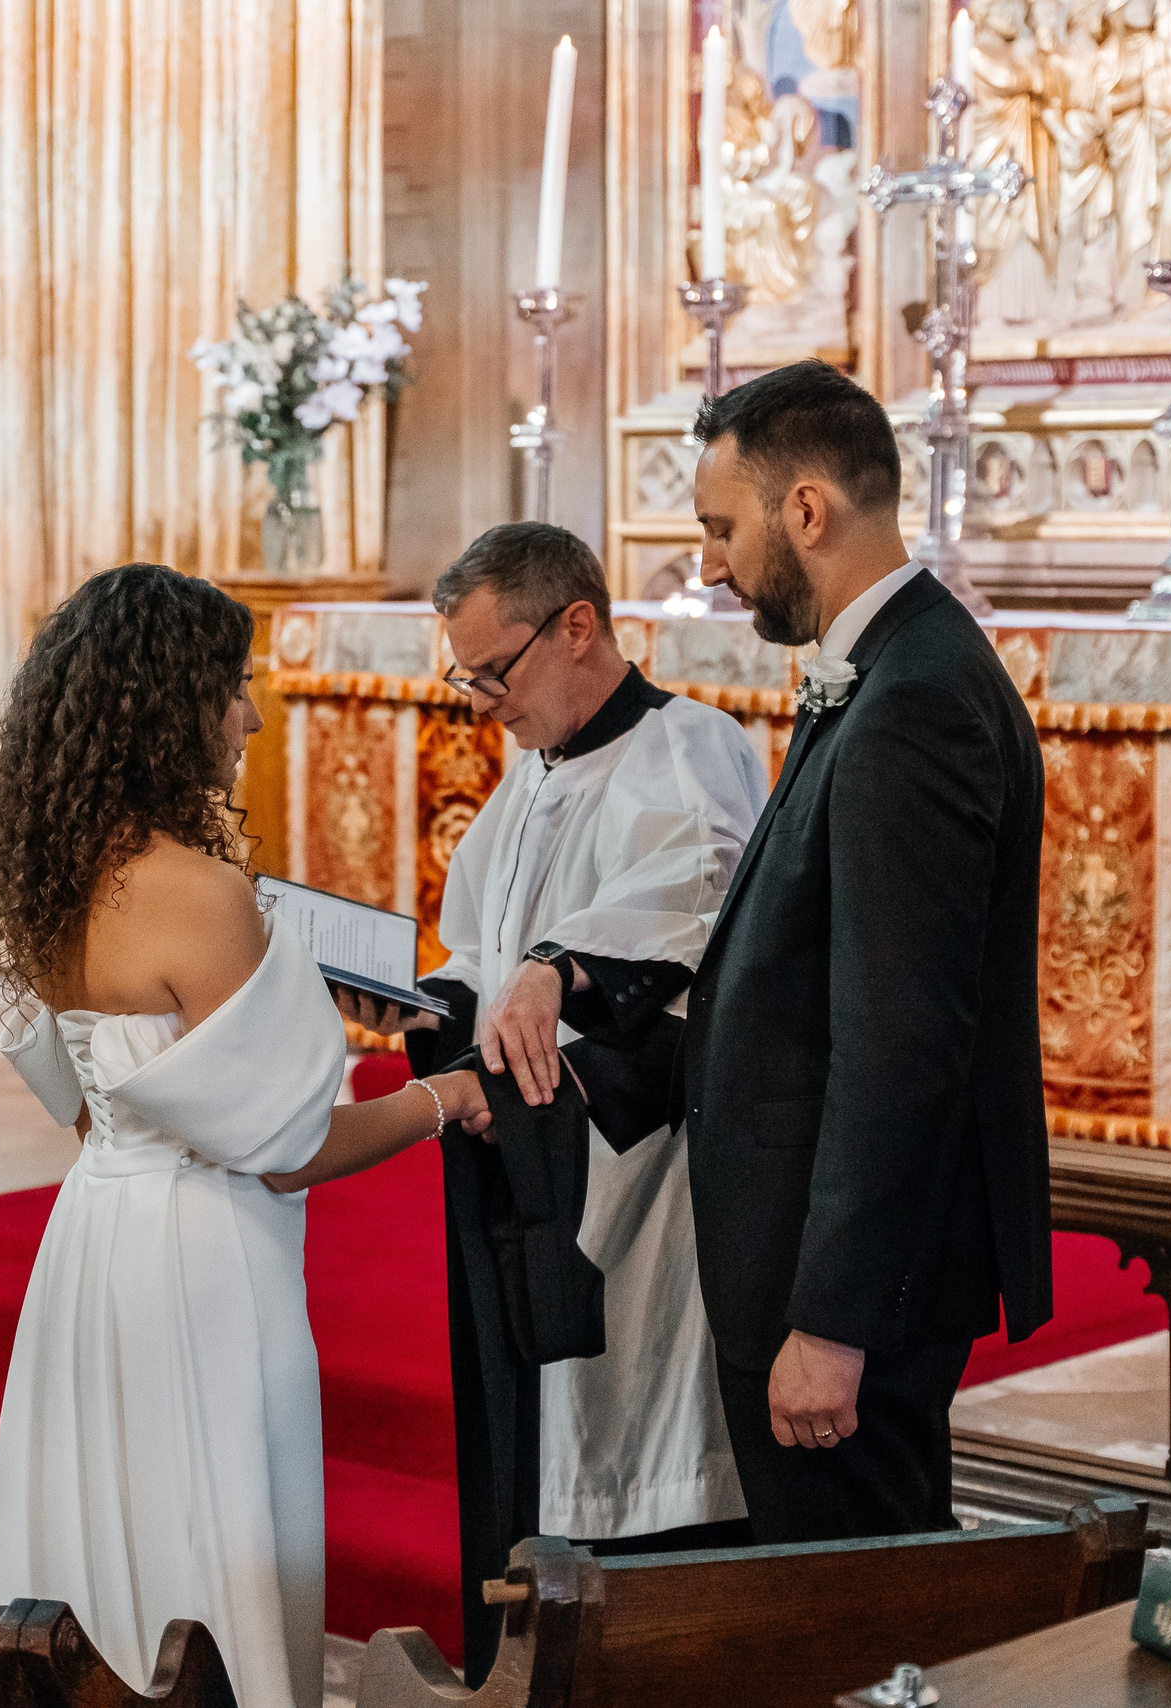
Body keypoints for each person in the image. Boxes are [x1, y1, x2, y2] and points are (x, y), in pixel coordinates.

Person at [0, 564, 492, 1708]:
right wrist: (440, 1100)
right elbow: (289, 1144)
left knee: (105, 1527)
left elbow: (90, 1101)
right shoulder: (193, 889)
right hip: (202, 1260)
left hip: (96, 1238)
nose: (250, 714)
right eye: (234, 686)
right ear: (172, 702)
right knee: (212, 1536)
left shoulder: (53, 865)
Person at [345, 523, 768, 1684]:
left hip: (628, 1184)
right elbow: (482, 946)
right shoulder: (538, 767)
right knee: (531, 1444)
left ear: (577, 625)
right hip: (528, 1161)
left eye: (497, 671)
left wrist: (557, 969)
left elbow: (694, 934)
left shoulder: (689, 753)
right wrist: (421, 999)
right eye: (465, 676)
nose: (482, 702)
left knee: (629, 1449)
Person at [675, 360, 1052, 1544]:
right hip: (811, 1265)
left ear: (805, 511)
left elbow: (902, 1038)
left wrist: (832, 1324)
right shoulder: (887, 670)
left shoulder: (914, 700)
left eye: (720, 527)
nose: (711, 563)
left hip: (843, 1292)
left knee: (858, 1610)